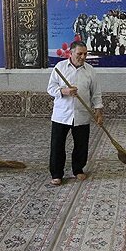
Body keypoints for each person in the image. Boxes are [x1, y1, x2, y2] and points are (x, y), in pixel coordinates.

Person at [47, 41, 103, 186]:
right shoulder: (60, 68)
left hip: (82, 114)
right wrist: (63, 91)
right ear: (71, 53)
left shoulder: (90, 70)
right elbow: (50, 88)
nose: (83, 57)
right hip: (61, 115)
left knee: (81, 145)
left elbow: (96, 93)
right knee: (57, 145)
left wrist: (98, 112)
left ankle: (78, 169)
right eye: (79, 54)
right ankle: (57, 173)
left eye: (85, 54)